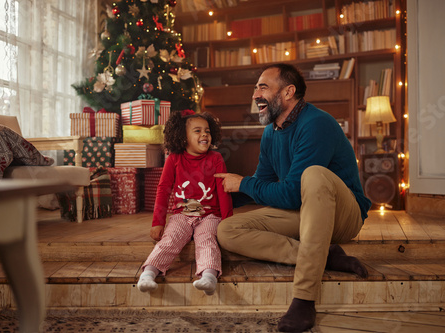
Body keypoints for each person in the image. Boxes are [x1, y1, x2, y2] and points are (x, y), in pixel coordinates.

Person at [215, 63, 371, 332]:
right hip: (303, 213)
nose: (255, 95)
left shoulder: (317, 123)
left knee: (313, 175)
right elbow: (262, 184)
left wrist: (243, 183)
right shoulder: (270, 132)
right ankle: (325, 255)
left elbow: (289, 193)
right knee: (227, 229)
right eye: (255, 88)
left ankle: (304, 299)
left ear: (288, 92)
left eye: (263, 87)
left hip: (343, 216)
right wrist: (215, 195)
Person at [137, 110, 233, 296]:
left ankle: (209, 277)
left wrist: (227, 219)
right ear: (183, 137)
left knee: (206, 240)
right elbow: (163, 189)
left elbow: (223, 190)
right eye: (197, 131)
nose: (204, 134)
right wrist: (158, 222)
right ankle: (148, 274)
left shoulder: (216, 159)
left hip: (210, 215)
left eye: (207, 130)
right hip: (181, 215)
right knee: (170, 239)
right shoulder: (174, 159)